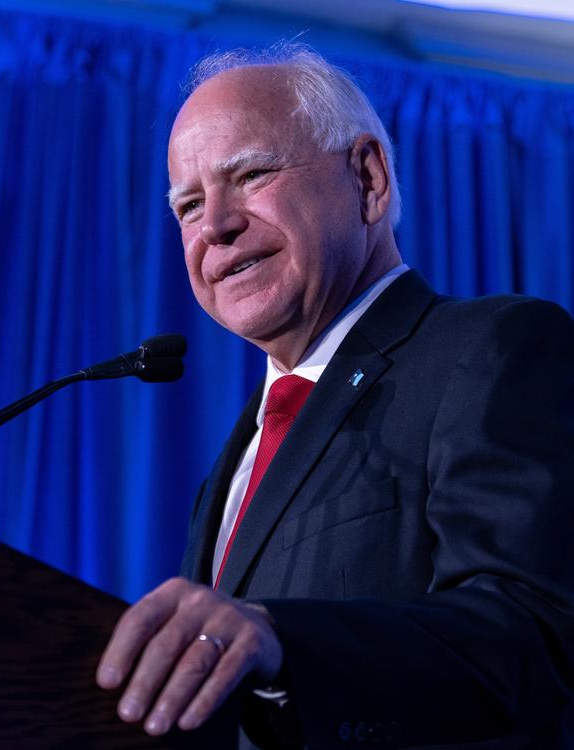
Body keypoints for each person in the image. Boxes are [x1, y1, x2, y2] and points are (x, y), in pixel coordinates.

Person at [96, 43, 574, 749]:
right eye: (189, 205)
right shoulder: (233, 464)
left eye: (251, 175)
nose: (215, 226)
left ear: (368, 178)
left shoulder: (491, 349)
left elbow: (534, 639)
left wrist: (284, 639)